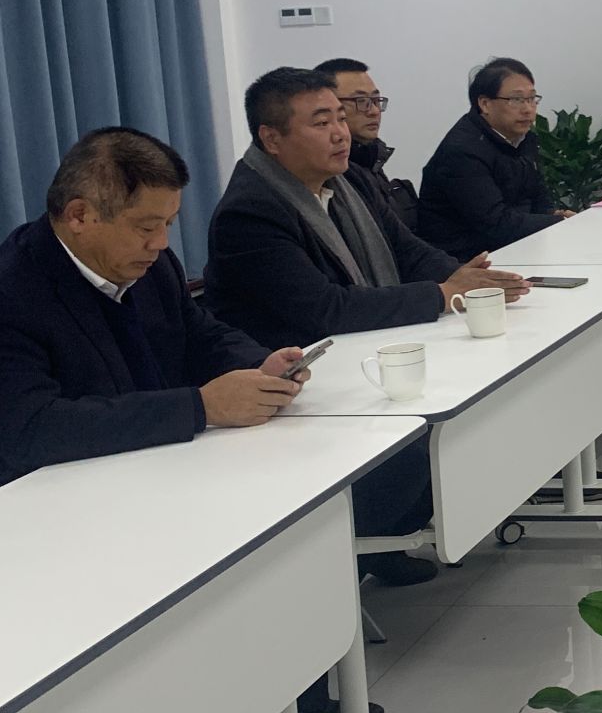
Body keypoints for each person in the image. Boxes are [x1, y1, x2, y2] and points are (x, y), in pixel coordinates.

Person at [0, 128, 306, 713]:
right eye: (145, 226)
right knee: (184, 621)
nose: (160, 244)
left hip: (141, 484)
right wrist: (202, 407)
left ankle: (287, 691)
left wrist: (259, 364)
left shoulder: (149, 267)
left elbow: (198, 335)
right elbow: (35, 429)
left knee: (252, 569)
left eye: (168, 224)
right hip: (34, 523)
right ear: (80, 215)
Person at [205, 68, 532, 586]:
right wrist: (443, 294)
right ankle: (362, 542)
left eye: (340, 117)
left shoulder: (349, 180)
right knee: (423, 436)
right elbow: (327, 310)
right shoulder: (250, 213)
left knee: (475, 397)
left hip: (363, 358)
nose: (340, 132)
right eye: (321, 123)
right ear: (271, 138)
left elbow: (406, 248)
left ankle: (393, 532)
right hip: (305, 388)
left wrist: (465, 277)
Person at [418, 56, 571, 261]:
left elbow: (539, 199)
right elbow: (495, 224)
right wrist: (560, 222)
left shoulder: (524, 139)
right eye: (516, 100)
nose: (528, 109)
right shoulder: (462, 152)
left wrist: (554, 217)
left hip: (516, 248)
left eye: (532, 99)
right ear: (485, 104)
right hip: (467, 262)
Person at [315, 57, 418, 230]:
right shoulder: (330, 172)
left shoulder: (371, 158)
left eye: (376, 100)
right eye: (361, 101)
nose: (374, 111)